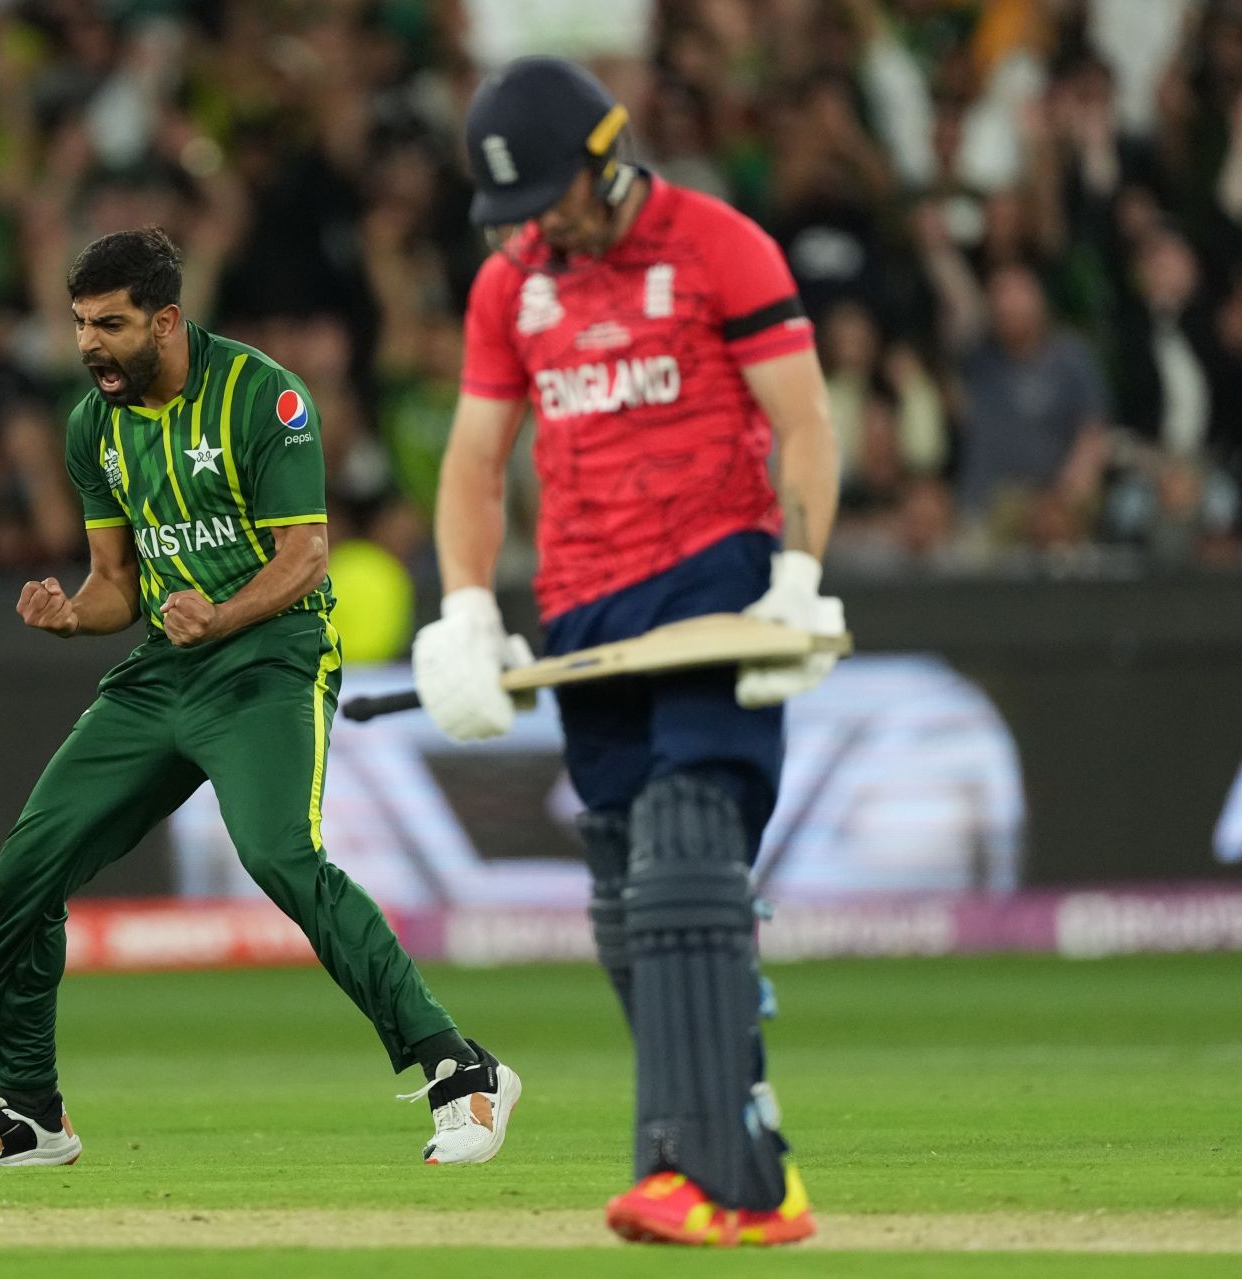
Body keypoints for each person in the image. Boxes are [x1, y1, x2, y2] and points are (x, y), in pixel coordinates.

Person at [0, 227, 520, 1170]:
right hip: (166, 670)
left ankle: (460, 1072)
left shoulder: (260, 395)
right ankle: (26, 1108)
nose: (89, 346)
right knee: (30, 861)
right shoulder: (92, 425)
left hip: (272, 660)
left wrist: (220, 616)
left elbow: (306, 556)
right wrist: (73, 616)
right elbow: (117, 583)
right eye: (79, 324)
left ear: (167, 319)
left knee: (279, 854)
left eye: (110, 324)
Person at [414, 58, 845, 1246]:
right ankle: (749, 1171)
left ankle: (694, 1173)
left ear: (609, 157)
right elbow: (472, 459)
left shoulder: (721, 245)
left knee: (683, 847)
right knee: (624, 890)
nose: (534, 225)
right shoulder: (510, 288)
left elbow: (805, 422)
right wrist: (463, 607)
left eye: (549, 195)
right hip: (583, 606)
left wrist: (798, 578)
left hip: (714, 578)